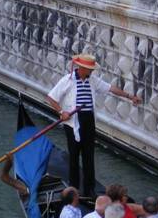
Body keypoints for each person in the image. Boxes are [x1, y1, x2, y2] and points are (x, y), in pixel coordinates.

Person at [47, 54, 141, 200]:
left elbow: (111, 89)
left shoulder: (93, 80)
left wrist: (129, 96)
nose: (91, 72)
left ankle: (89, 190)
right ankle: (74, 190)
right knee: (74, 156)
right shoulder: (68, 80)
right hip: (73, 122)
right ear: (81, 68)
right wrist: (61, 112)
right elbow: (51, 98)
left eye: (91, 69)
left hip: (88, 121)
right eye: (89, 69)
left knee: (88, 157)